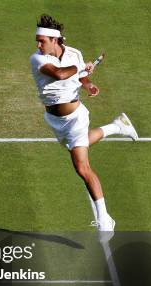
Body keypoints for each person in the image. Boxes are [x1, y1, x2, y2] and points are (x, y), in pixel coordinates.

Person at [30, 14, 138, 232]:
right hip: (54, 119)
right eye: (37, 40)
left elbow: (80, 77)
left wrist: (88, 84)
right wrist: (81, 70)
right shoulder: (38, 58)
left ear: (55, 40)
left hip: (77, 116)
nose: (38, 44)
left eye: (42, 40)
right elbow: (60, 74)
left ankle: (105, 220)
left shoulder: (75, 54)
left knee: (81, 167)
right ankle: (118, 126)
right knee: (77, 145)